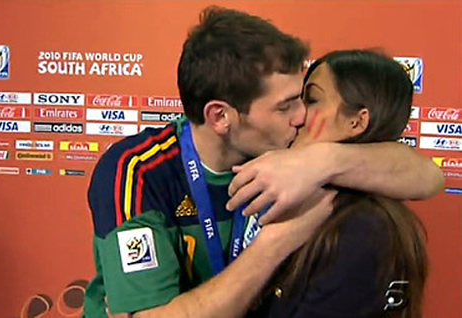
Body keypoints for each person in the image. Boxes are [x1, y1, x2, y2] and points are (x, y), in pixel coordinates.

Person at [83, 6, 442, 318]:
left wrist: (323, 160)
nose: (301, 116)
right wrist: (277, 241)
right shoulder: (137, 171)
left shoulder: (287, 152)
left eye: (304, 99)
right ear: (221, 117)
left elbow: (427, 176)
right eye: (285, 106)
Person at [245, 50, 428, 318]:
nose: (297, 115)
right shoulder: (306, 197)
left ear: (356, 121)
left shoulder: (362, 230)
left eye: (312, 100)